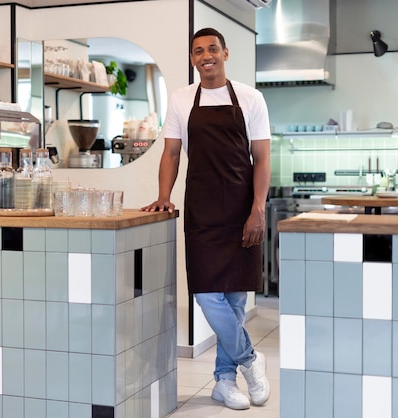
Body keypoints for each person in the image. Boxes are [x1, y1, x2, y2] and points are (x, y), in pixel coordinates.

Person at [141, 27, 271, 410]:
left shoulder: (250, 97)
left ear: (225, 53)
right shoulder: (182, 99)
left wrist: (258, 210)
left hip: (241, 210)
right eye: (198, 51)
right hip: (201, 209)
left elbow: (261, 158)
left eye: (212, 49)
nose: (205, 56)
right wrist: (163, 197)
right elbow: (170, 154)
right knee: (206, 292)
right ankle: (250, 359)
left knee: (233, 297)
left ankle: (224, 381)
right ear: (193, 59)